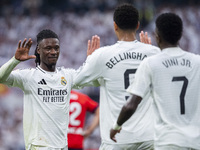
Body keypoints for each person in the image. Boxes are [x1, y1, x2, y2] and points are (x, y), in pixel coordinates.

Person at [73, 3, 160, 150]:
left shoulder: (102, 55)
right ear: (137, 25)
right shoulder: (155, 53)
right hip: (148, 138)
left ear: (115, 26)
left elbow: (76, 81)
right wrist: (149, 51)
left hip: (117, 140)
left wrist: (90, 60)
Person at [110, 13, 200, 150]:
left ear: (157, 35)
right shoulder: (197, 62)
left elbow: (131, 105)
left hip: (168, 142)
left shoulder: (151, 63)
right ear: (181, 34)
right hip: (194, 142)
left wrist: (116, 126)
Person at [0, 29, 100, 150]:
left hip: (62, 146)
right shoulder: (28, 76)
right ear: (38, 50)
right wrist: (15, 61)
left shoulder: (67, 75)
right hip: (39, 146)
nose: (53, 52)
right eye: (48, 48)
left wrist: (91, 60)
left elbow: (89, 78)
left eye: (56, 48)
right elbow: (1, 77)